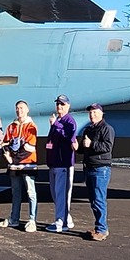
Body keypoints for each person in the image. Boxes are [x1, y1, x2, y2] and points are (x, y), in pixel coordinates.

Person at [77, 102, 116, 241]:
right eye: (90, 113)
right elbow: (84, 149)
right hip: (89, 167)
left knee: (99, 199)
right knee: (93, 200)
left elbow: (107, 146)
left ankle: (102, 229)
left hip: (101, 169)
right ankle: (98, 226)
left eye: (95, 112)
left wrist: (91, 144)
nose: (92, 115)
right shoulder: (88, 130)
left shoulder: (107, 129)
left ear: (101, 113)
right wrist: (78, 146)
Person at [2, 99, 40, 230]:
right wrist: (7, 153)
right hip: (14, 166)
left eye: (22, 108)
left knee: (31, 192)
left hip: (27, 165)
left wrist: (13, 159)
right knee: (15, 193)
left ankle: (32, 220)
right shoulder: (11, 127)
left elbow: (29, 147)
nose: (19, 110)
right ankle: (14, 218)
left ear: (27, 110)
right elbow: (5, 143)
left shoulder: (31, 127)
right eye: (17, 108)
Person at [43, 96, 78, 233]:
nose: (59, 107)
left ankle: (61, 223)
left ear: (68, 106)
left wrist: (55, 125)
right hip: (54, 163)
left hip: (64, 164)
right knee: (56, 194)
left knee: (62, 194)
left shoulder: (69, 121)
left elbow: (69, 137)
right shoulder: (58, 120)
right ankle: (66, 219)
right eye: (58, 104)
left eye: (62, 104)